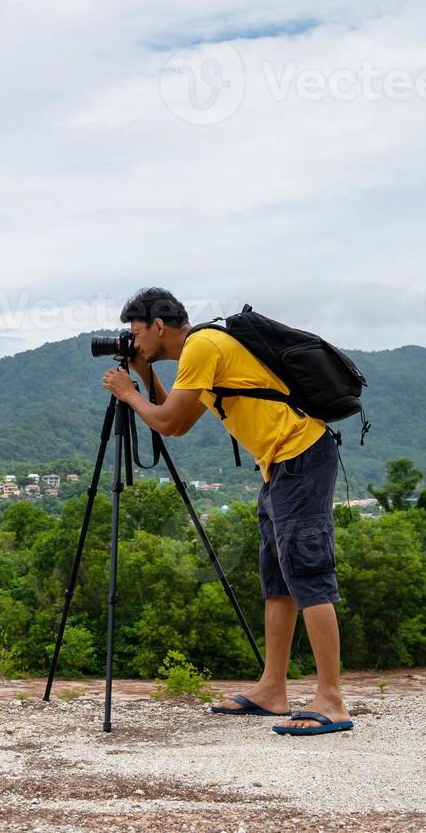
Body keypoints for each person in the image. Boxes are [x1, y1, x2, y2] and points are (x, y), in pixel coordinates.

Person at [99, 287, 352, 736]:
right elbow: (178, 416)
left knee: (309, 575)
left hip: (300, 458)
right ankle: (272, 690)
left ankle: (331, 700)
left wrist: (127, 393)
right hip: (280, 466)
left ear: (158, 326)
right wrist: (144, 377)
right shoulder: (203, 348)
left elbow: (167, 423)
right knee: (278, 580)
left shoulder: (201, 345)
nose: (133, 341)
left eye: (137, 332)